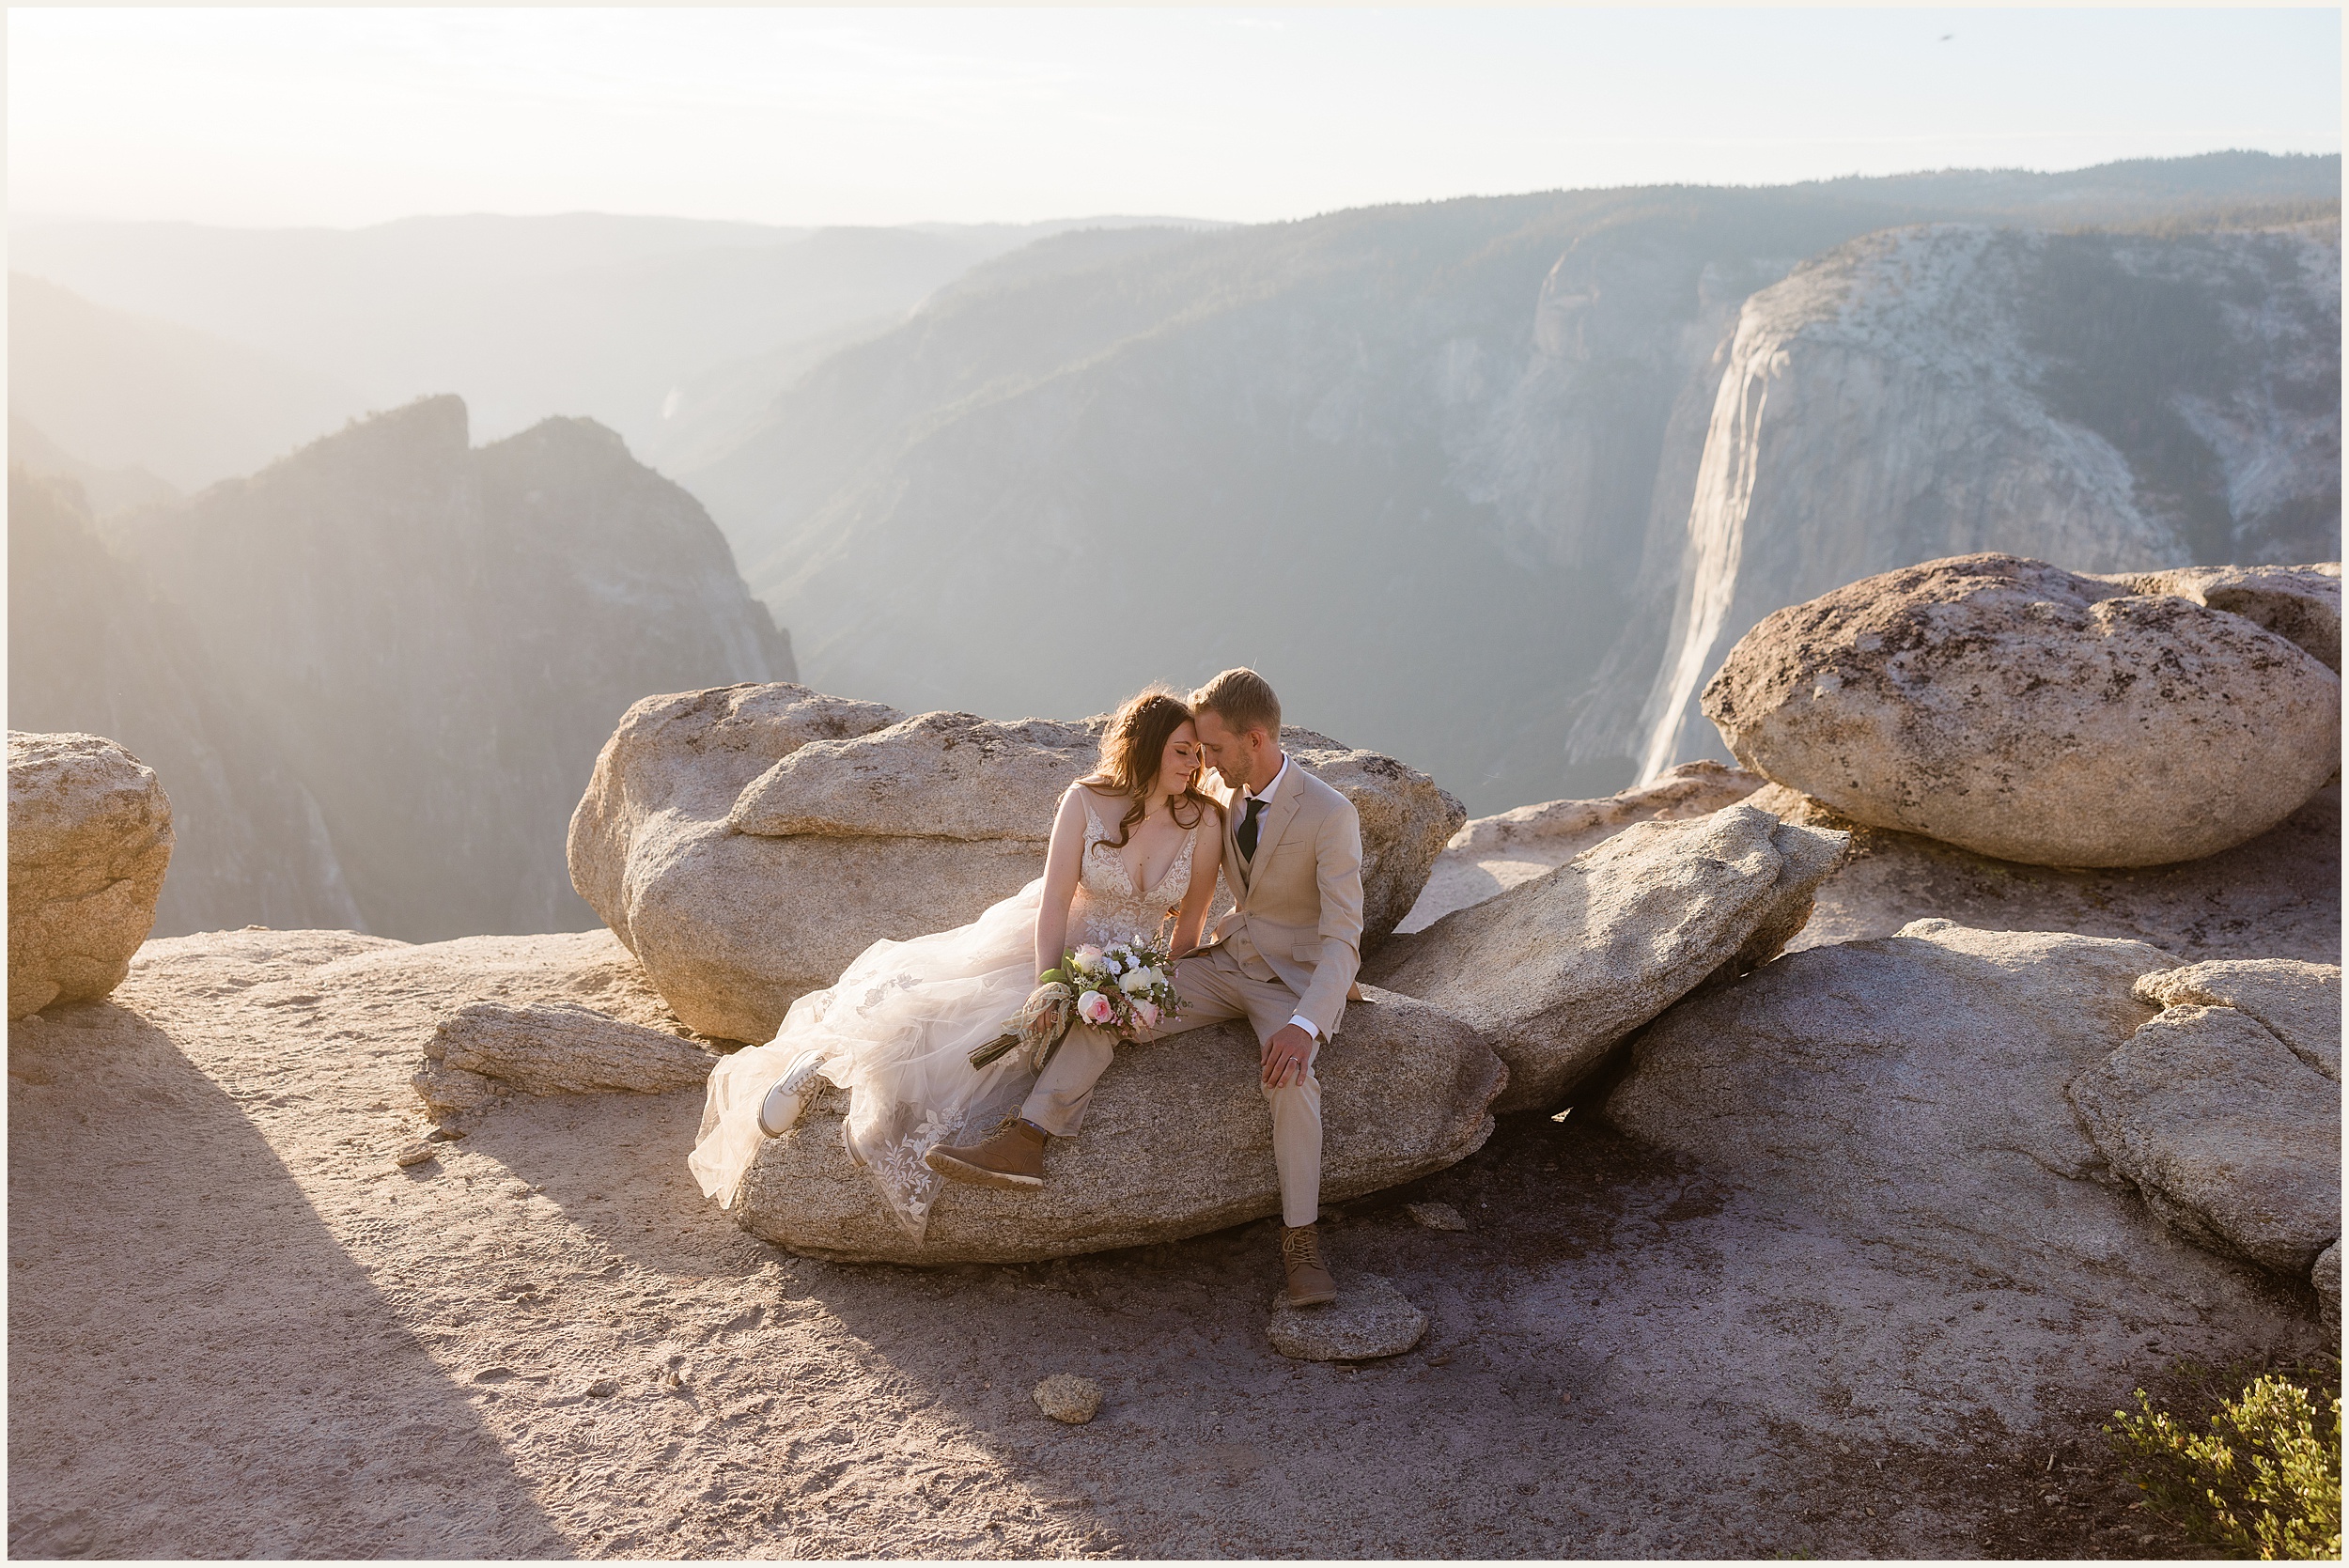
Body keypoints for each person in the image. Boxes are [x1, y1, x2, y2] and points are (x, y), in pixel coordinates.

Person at [686, 686, 1221, 1240]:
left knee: (1018, 1055)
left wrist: (1148, 988)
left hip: (1125, 969)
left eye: (1199, 753)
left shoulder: (1205, 821)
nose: (1194, 763)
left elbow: (1189, 927)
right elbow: (1056, 901)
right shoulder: (1085, 800)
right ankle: (824, 1061)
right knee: (964, 1017)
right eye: (1183, 750)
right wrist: (1048, 984)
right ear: (1150, 746)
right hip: (1054, 947)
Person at [929, 668, 1363, 1309]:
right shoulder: (1227, 792)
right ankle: (1029, 1137)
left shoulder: (1331, 812)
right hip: (1226, 960)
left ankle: (1302, 1246)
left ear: (1256, 738)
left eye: (1214, 749)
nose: (1204, 763)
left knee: (1291, 1080)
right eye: (1197, 751)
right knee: (1115, 995)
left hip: (1290, 987)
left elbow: (1344, 938)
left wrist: (1306, 1025)